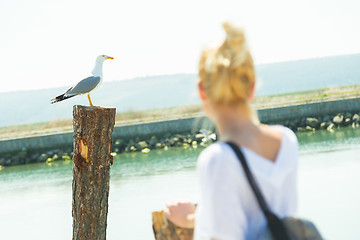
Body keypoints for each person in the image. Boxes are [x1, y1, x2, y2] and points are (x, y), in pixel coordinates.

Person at [164, 22, 298, 240]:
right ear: (252, 86)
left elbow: (226, 232)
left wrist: (188, 220)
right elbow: (258, 217)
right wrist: (192, 219)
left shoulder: (218, 159)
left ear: (202, 90)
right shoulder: (286, 140)